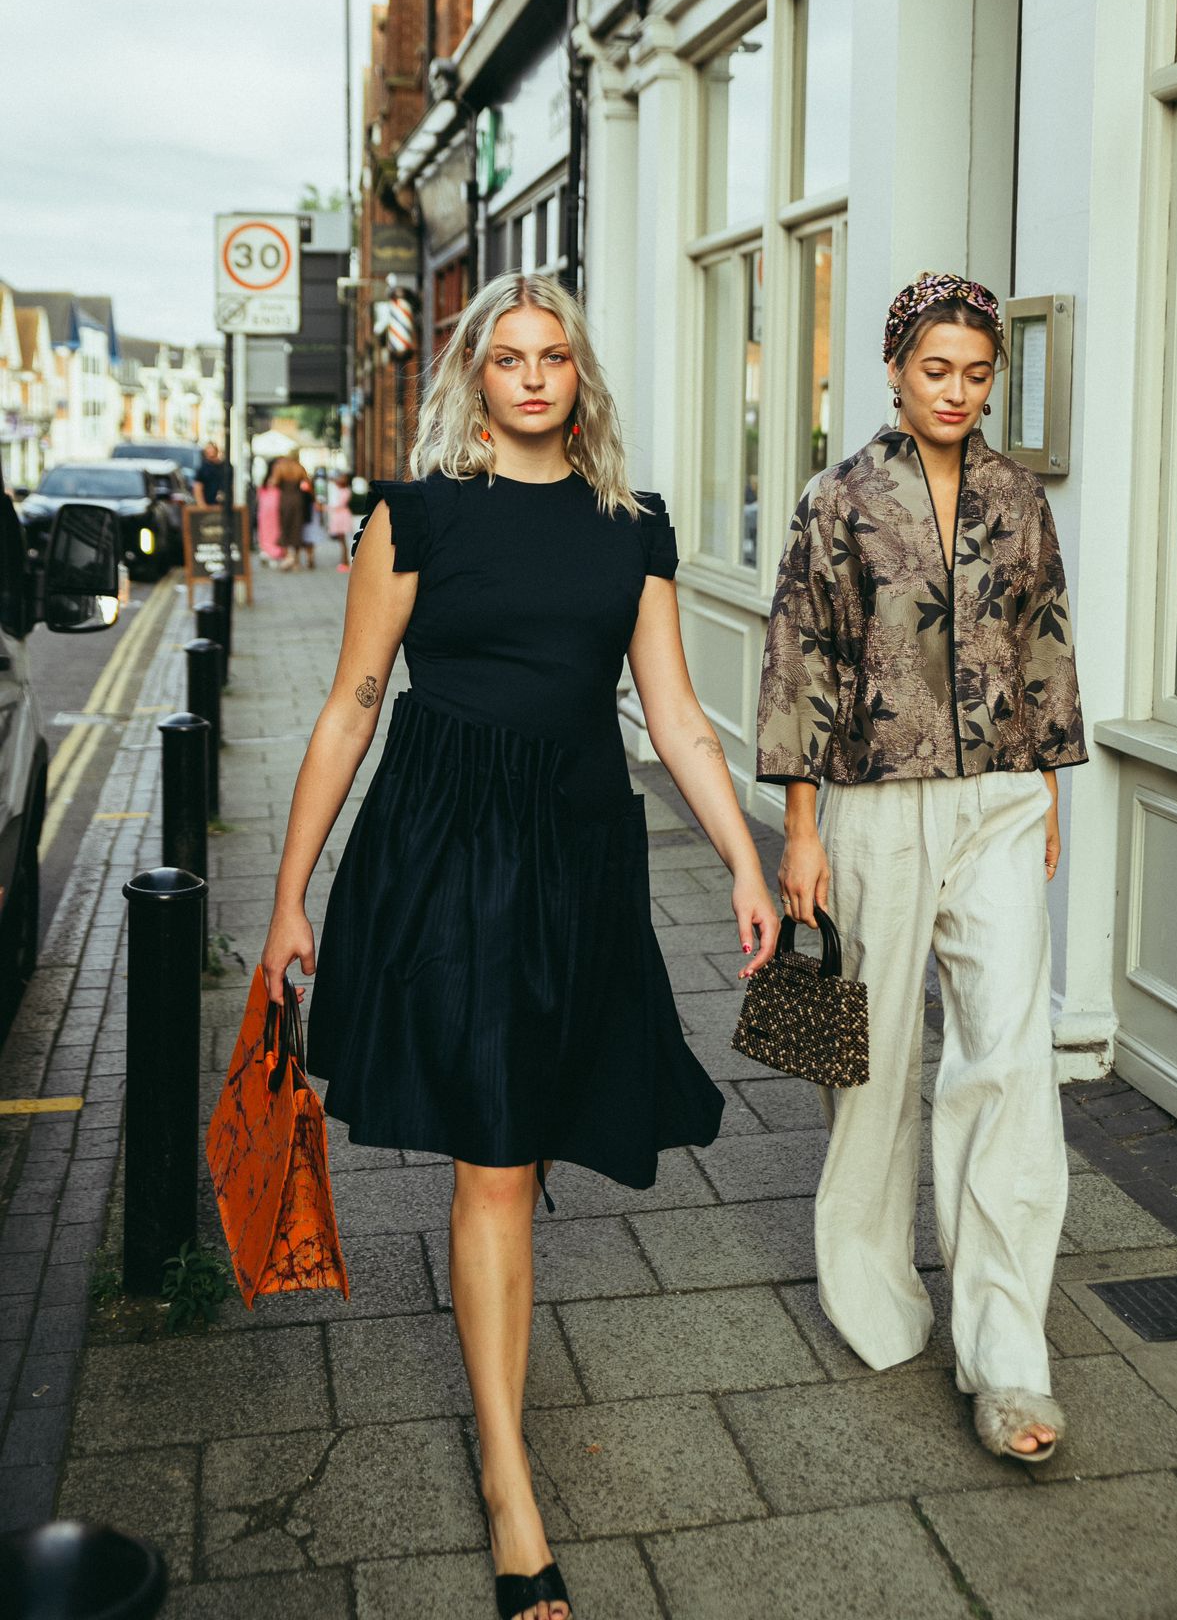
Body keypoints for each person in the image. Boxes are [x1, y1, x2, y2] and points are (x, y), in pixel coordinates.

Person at [261, 275, 780, 1620]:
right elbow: (352, 704)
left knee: (528, 1141)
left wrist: (745, 855)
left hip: (576, 859)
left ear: (578, 377)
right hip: (444, 855)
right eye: (508, 358)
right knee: (496, 1160)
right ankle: (510, 1487)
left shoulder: (634, 531)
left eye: (554, 357)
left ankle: (501, 1432)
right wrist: (287, 894)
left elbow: (676, 718)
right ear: (476, 378)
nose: (533, 377)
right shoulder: (418, 516)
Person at [756, 270, 1088, 1467]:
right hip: (871, 801)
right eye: (936, 369)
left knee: (1008, 1058)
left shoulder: (1019, 495)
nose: (957, 390)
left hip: (1000, 796)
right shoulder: (839, 499)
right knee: (877, 1052)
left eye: (977, 371)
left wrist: (1045, 784)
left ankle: (1007, 1351)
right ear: (895, 368)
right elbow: (799, 663)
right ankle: (872, 1288)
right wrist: (800, 830)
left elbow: (1045, 636)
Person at [271, 451, 310, 571]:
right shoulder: (299, 467)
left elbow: (274, 482)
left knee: (285, 526)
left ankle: (287, 556)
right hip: (297, 499)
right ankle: (296, 560)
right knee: (297, 527)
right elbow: (307, 483)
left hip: (285, 499)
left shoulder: (280, 467)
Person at [256, 461, 283, 566]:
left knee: (275, 531)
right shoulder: (268, 481)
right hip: (266, 511)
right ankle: (268, 552)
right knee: (266, 532)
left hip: (274, 511)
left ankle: (274, 553)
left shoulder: (280, 480)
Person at [326, 470, 354, 572]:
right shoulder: (338, 490)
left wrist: (326, 507)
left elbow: (339, 504)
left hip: (342, 516)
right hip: (338, 516)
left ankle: (346, 561)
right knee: (342, 541)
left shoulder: (345, 491)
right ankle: (344, 561)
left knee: (345, 541)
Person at [193, 440, 226, 507]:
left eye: (212, 449)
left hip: (223, 506)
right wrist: (202, 505)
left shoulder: (224, 467)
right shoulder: (203, 469)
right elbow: (198, 487)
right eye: (208, 449)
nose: (211, 451)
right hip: (208, 505)